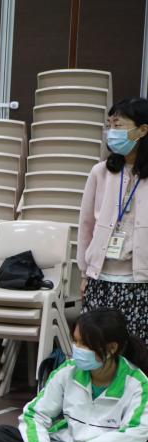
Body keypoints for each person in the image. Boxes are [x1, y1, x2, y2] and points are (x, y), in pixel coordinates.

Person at [0, 308, 147, 442]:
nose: (77, 349)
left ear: (111, 348)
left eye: (84, 344)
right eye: (75, 341)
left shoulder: (137, 383)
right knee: (2, 435)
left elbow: (135, 433)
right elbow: (35, 414)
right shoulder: (67, 371)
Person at [78, 97, 148, 341]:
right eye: (109, 125)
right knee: (96, 346)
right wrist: (85, 273)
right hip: (101, 278)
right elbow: (86, 225)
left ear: (142, 130)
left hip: (140, 281)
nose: (112, 132)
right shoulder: (100, 172)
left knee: (135, 349)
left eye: (118, 125)